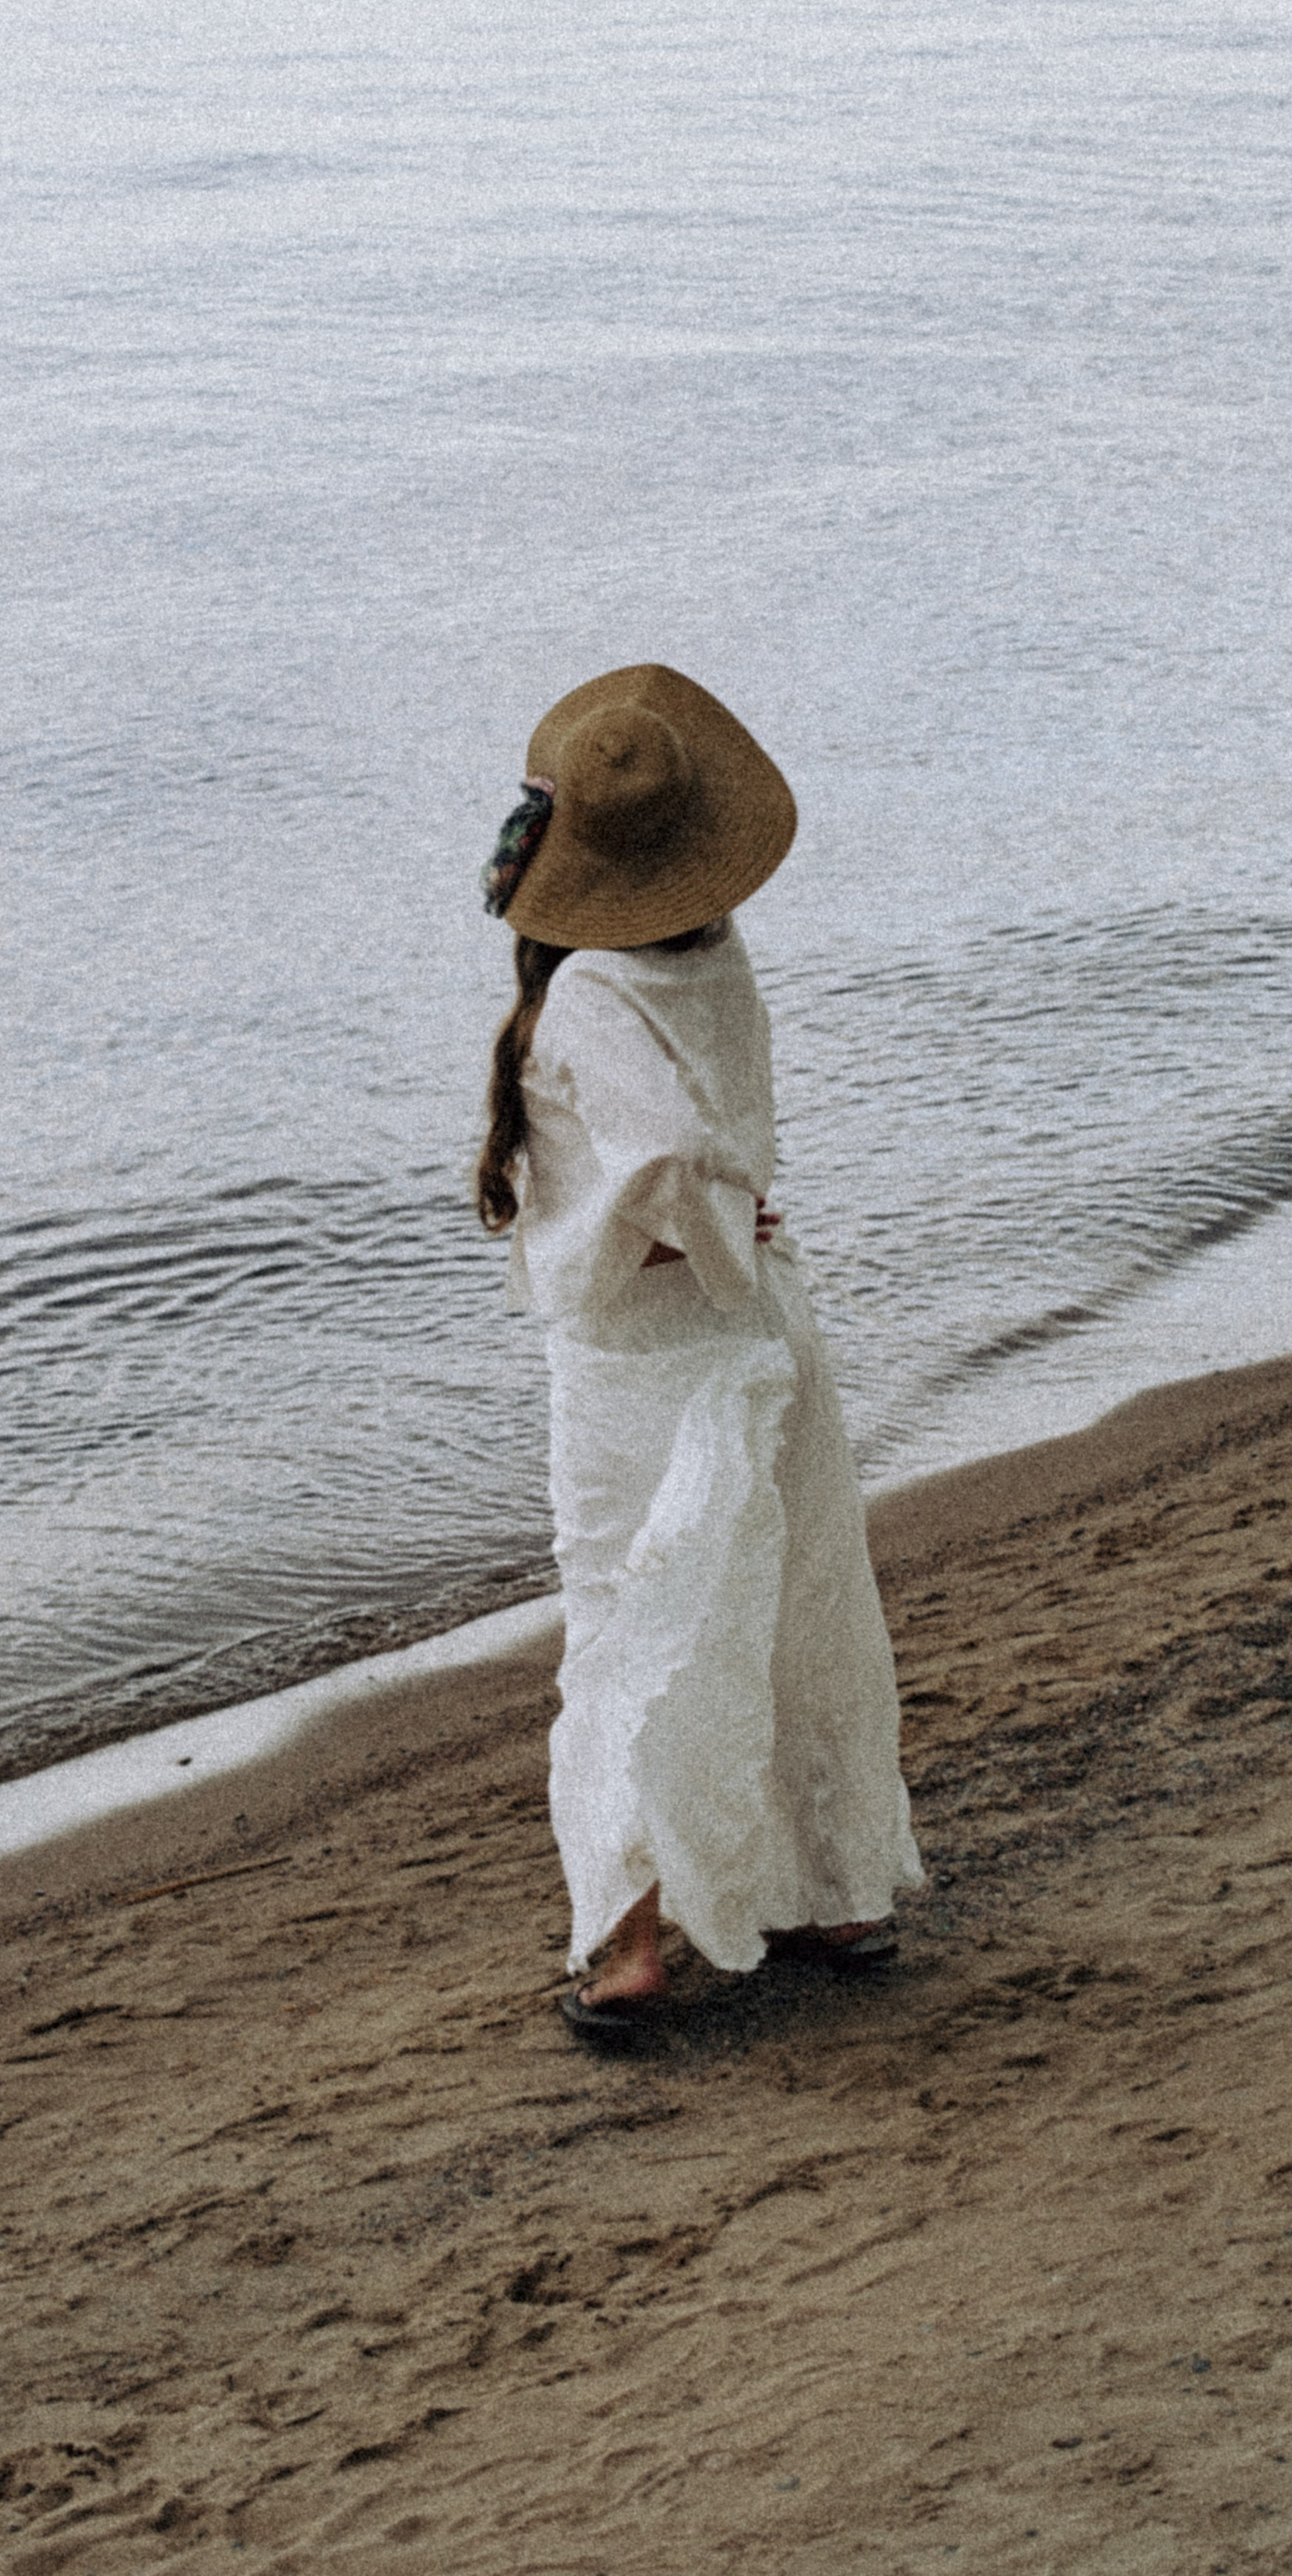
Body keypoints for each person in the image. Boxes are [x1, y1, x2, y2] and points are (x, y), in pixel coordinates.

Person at [475, 664, 924, 2043]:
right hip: (761, 1327)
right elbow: (699, 1148)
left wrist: (674, 1233)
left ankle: (624, 1949)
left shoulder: (596, 996)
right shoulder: (710, 953)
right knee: (794, 1601)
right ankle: (837, 1893)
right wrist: (731, 1227)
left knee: (625, 1616)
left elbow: (665, 1153)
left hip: (646, 1357)